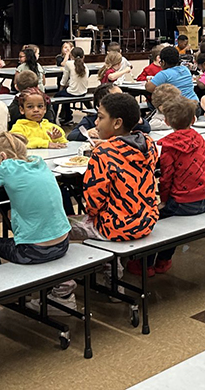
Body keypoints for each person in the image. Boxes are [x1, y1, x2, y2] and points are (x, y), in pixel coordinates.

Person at [0, 132, 75, 313]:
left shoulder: (7, 168)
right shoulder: (38, 162)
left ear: (3, 157)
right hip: (63, 243)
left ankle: (2, 292)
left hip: (34, 251)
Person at [69, 93, 159, 282]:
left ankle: (64, 292)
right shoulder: (148, 144)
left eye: (100, 117)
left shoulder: (102, 153)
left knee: (58, 228)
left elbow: (94, 200)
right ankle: (113, 278)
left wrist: (106, 147)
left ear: (117, 123)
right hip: (146, 221)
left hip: (114, 227)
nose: (96, 123)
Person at [128, 97, 205, 276]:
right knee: (170, 225)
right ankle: (164, 260)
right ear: (194, 119)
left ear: (166, 121)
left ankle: (145, 264)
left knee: (155, 222)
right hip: (204, 199)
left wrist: (163, 200)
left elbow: (166, 178)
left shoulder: (170, 146)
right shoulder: (200, 139)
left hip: (182, 202)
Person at [68, 83, 150, 141]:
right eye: (118, 97)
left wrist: (138, 120)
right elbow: (71, 135)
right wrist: (87, 133)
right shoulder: (91, 120)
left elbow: (146, 128)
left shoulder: (124, 120)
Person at [56, 46, 90, 125]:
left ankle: (59, 118)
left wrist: (60, 89)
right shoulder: (85, 66)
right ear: (83, 57)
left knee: (57, 97)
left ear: (71, 56)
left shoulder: (68, 63)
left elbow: (64, 80)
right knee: (65, 95)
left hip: (72, 92)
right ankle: (67, 116)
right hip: (83, 92)